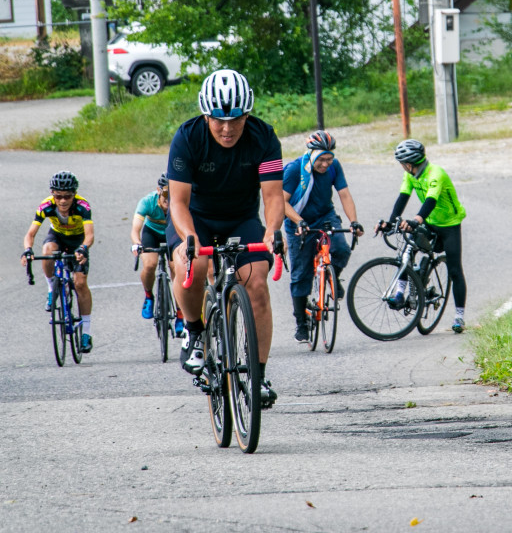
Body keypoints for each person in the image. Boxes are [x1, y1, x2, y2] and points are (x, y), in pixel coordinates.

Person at [165, 69, 285, 408]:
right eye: (219, 120)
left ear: (248, 114)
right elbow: (177, 202)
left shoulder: (263, 137)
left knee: (257, 285)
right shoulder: (188, 137)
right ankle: (195, 331)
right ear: (206, 116)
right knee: (194, 264)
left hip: (240, 218)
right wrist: (189, 236)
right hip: (195, 218)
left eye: (236, 120)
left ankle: (258, 376)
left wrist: (272, 230)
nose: (228, 129)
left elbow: (273, 196)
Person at [375, 139, 468, 333]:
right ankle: (400, 293)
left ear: (409, 164)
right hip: (429, 221)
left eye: (402, 163)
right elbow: (402, 198)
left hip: (449, 224)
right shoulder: (410, 175)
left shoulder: (436, 173)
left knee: (455, 270)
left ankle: (459, 316)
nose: (402, 167)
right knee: (407, 248)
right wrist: (391, 223)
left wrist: (416, 220)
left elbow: (431, 200)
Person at [281, 130, 364, 341]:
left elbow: (344, 194)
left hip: (325, 216)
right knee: (301, 275)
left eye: (329, 158)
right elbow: (281, 202)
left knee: (342, 249)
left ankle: (332, 276)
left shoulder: (334, 167)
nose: (326, 164)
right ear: (311, 154)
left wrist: (354, 221)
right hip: (298, 221)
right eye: (322, 159)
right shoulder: (294, 170)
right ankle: (301, 323)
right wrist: (299, 221)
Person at [21, 170, 96, 353]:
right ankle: (51, 288)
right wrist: (28, 250)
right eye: (58, 196)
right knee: (47, 251)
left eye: (67, 196)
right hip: (58, 237)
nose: (63, 201)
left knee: (80, 283)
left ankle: (86, 332)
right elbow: (30, 234)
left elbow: (90, 236)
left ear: (74, 194)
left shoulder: (82, 206)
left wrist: (83, 248)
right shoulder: (46, 206)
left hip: (78, 240)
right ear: (52, 194)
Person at [132, 174, 183, 337]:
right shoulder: (148, 202)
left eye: (173, 194)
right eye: (166, 194)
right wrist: (136, 243)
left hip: (172, 233)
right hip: (152, 233)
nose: (169, 199)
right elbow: (135, 229)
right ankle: (148, 296)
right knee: (149, 265)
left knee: (176, 268)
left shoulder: (180, 203)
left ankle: (181, 314)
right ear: (159, 191)